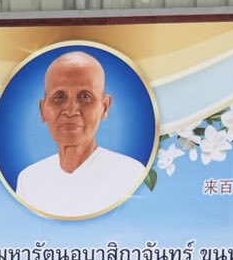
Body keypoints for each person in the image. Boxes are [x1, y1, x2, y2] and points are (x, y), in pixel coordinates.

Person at [12, 50, 149, 218]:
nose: (70, 111)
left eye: (85, 96)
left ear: (104, 107)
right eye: (59, 97)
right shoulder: (29, 180)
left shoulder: (130, 174)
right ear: (43, 109)